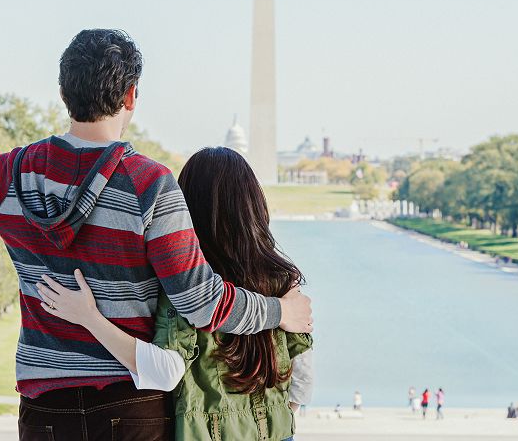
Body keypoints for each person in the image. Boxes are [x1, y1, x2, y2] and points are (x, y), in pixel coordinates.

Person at [0, 30, 313, 441]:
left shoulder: (9, 177)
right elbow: (202, 304)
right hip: (131, 405)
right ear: (131, 95)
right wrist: (279, 312)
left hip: (45, 411)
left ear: (65, 94)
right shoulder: (149, 185)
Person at [39, 147, 313, 440]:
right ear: (254, 203)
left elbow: (165, 370)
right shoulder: (283, 280)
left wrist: (90, 318)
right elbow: (303, 381)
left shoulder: (181, 284)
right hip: (277, 430)